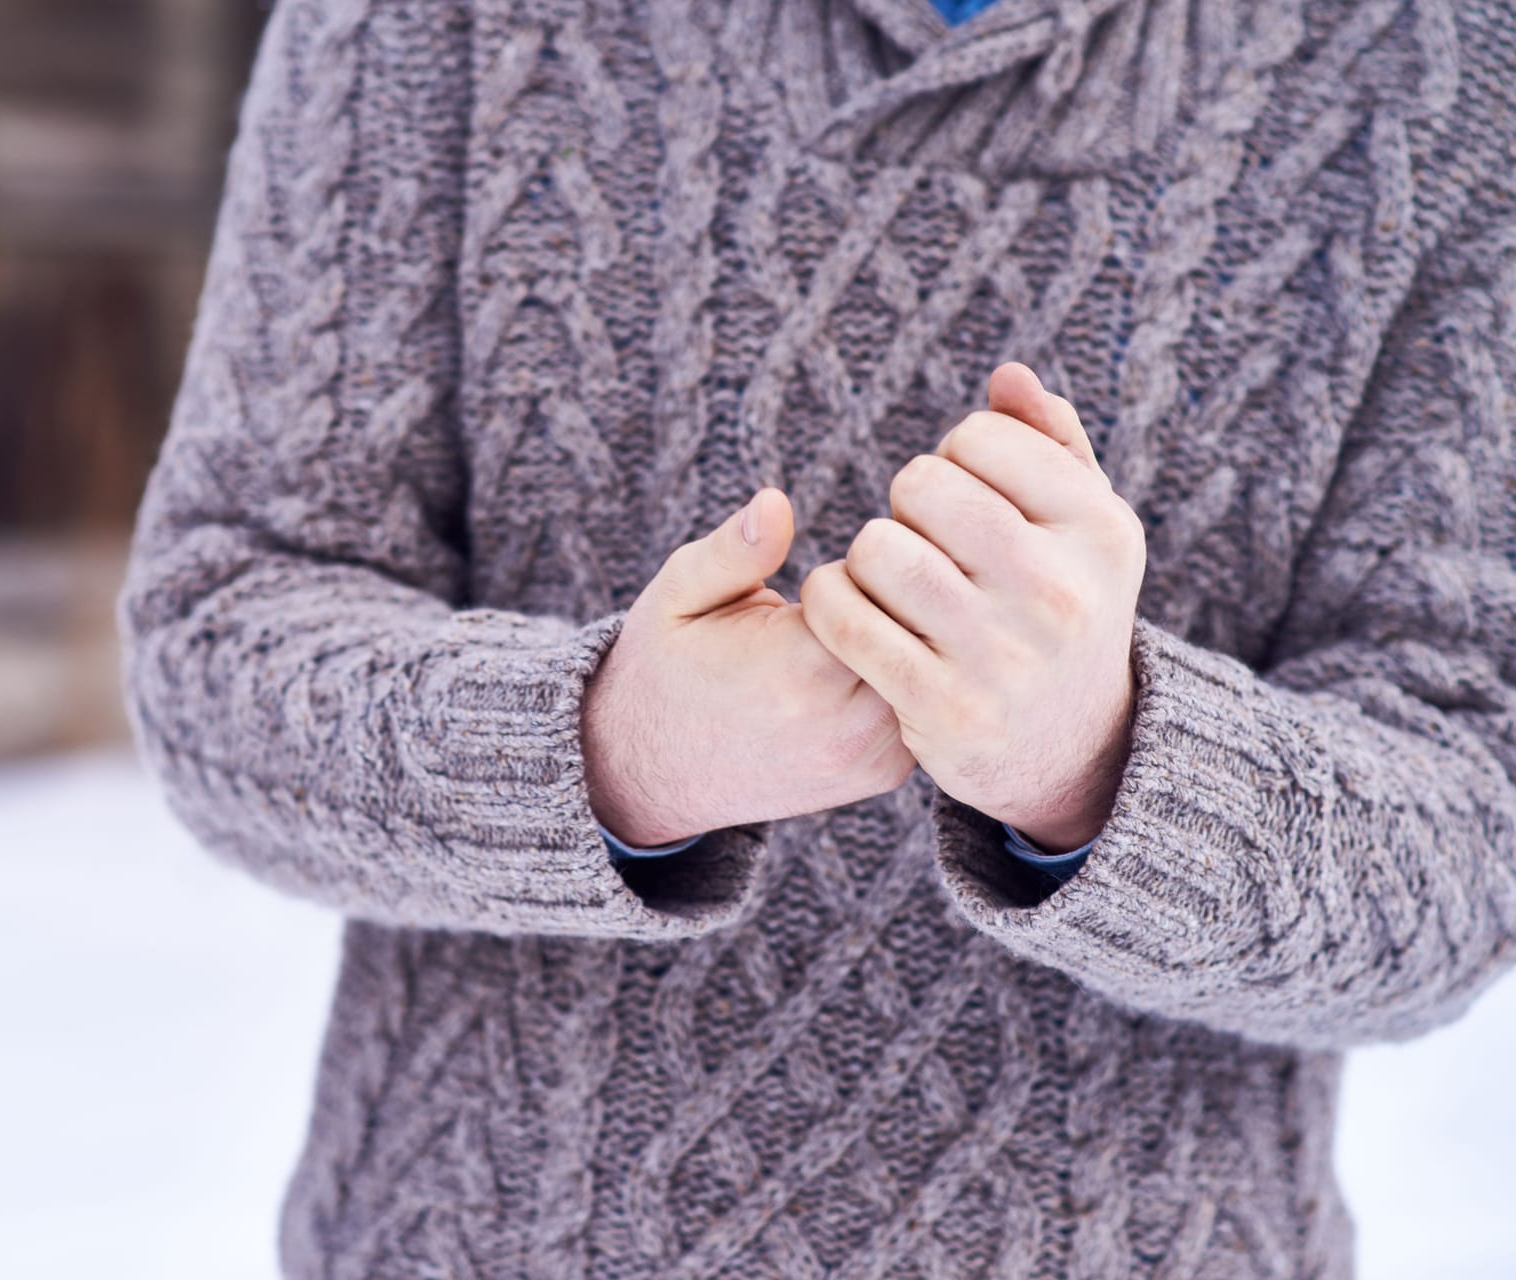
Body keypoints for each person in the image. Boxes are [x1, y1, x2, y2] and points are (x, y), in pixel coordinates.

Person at [116, 0, 1516, 1272]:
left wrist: (1109, 764)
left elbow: (1472, 839)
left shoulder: (1442, 58)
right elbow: (217, 640)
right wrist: (609, 748)